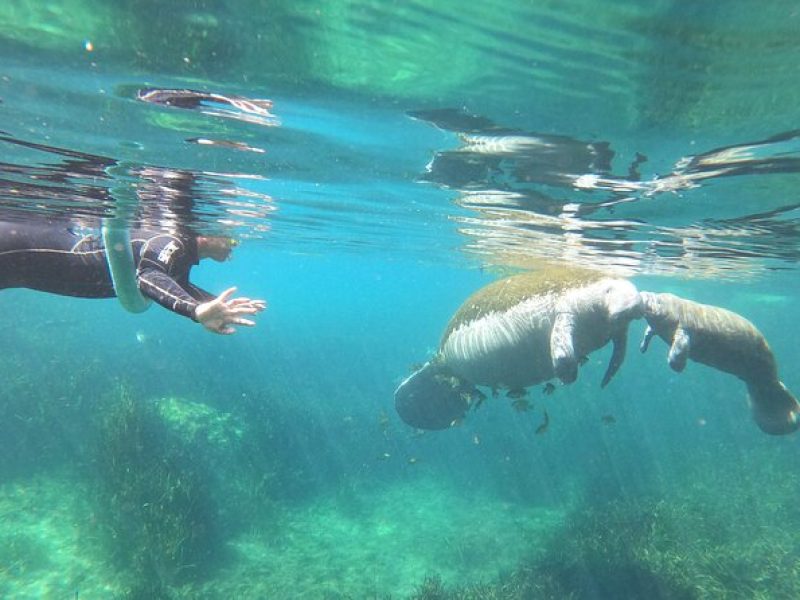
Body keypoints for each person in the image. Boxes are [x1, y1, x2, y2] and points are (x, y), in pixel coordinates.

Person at [0, 217, 266, 334]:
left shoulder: (181, 252)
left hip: (21, 263)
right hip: (16, 248)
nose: (234, 246)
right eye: (232, 241)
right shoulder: (171, 241)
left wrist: (214, 305)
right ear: (208, 235)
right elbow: (148, 277)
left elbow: (175, 285)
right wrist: (196, 311)